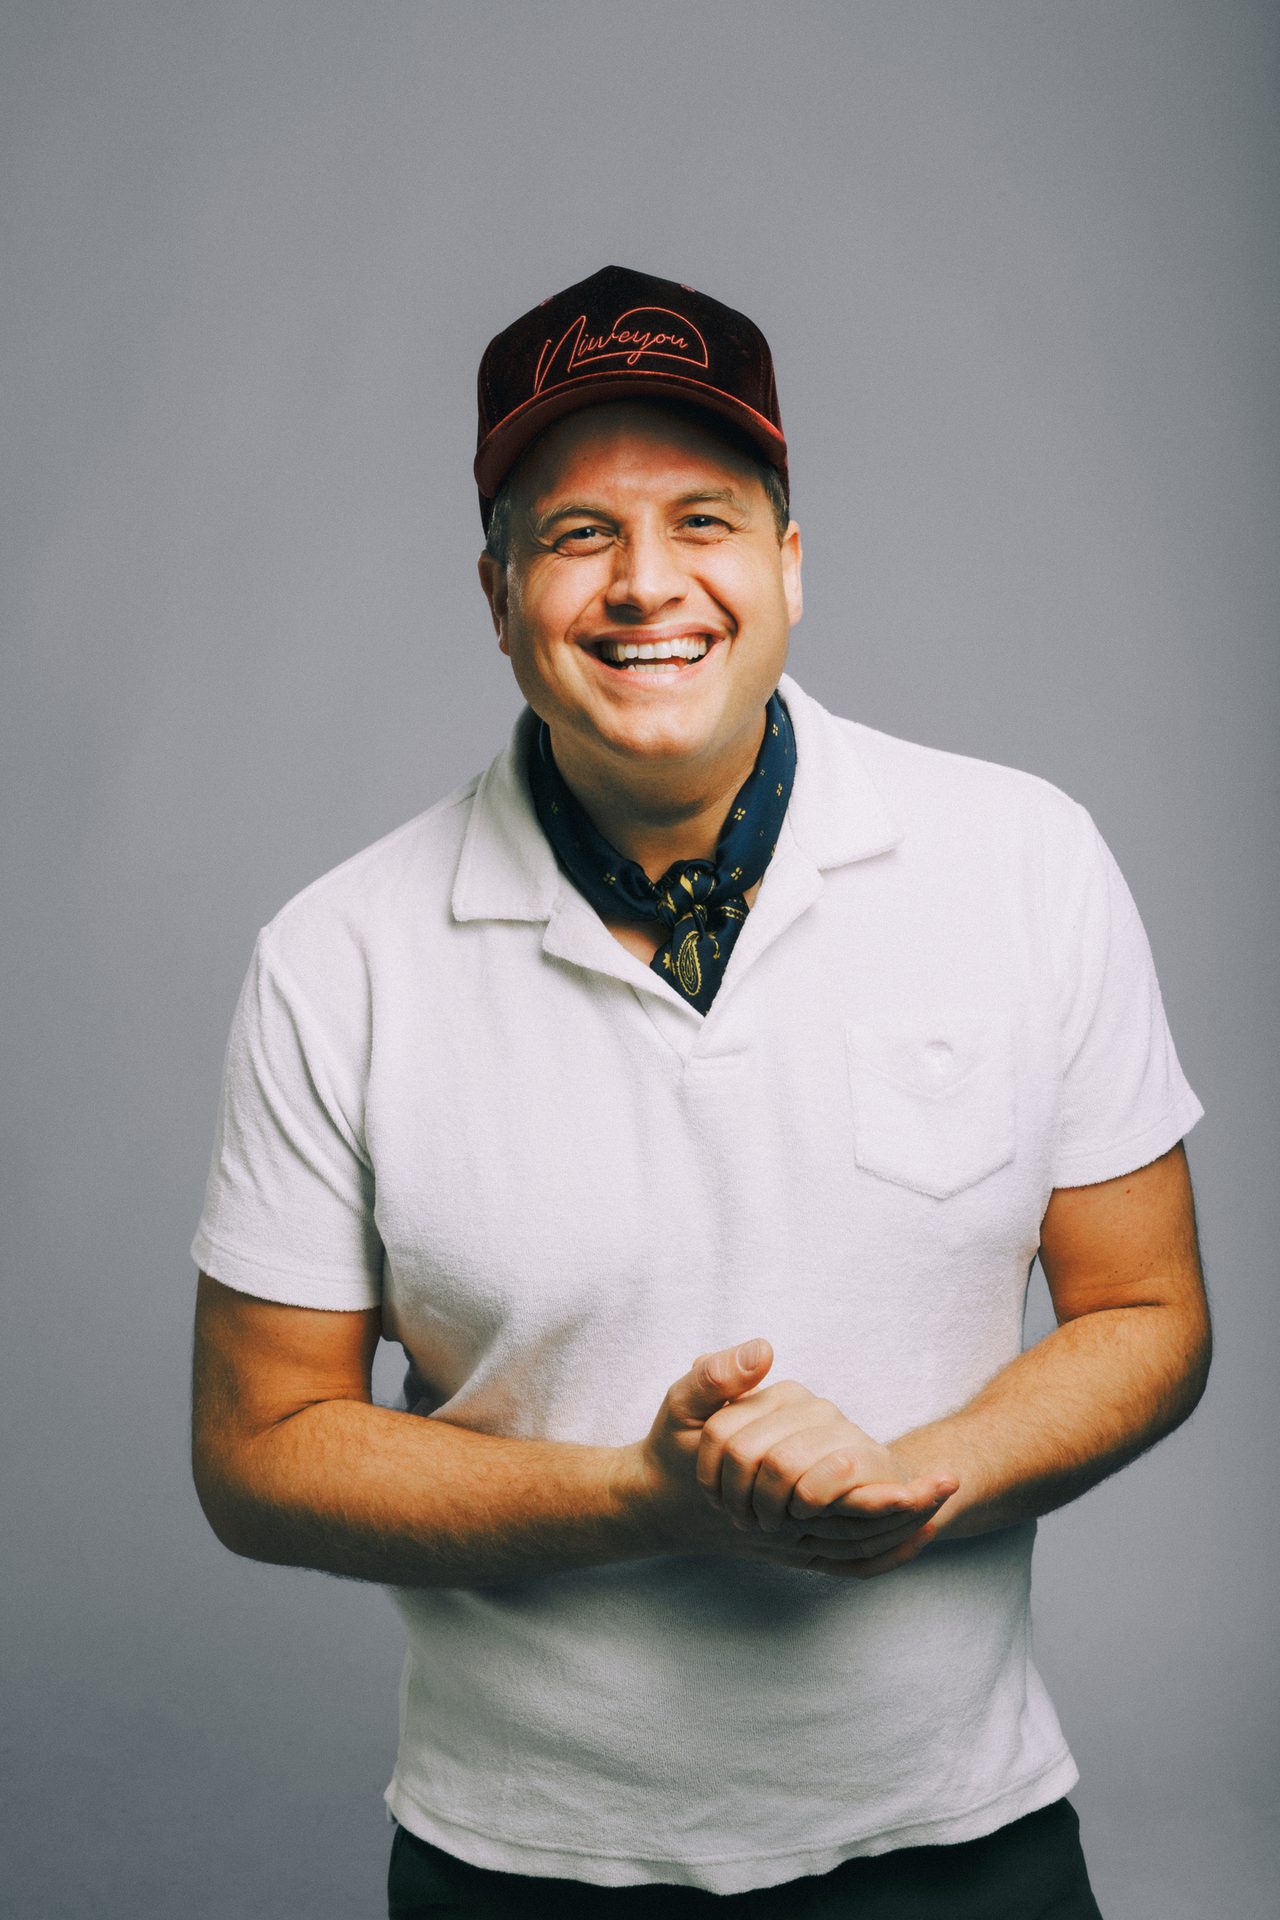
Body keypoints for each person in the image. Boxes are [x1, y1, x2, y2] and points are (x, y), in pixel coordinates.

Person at [190, 265, 1210, 1918]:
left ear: (791, 566)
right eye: (578, 533)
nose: (647, 585)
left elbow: (1151, 1309)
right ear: (498, 586)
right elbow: (259, 1448)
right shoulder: (338, 955)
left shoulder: (1024, 859)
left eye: (706, 520)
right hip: (518, 1867)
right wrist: (640, 1501)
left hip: (960, 1848)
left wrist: (909, 1477)